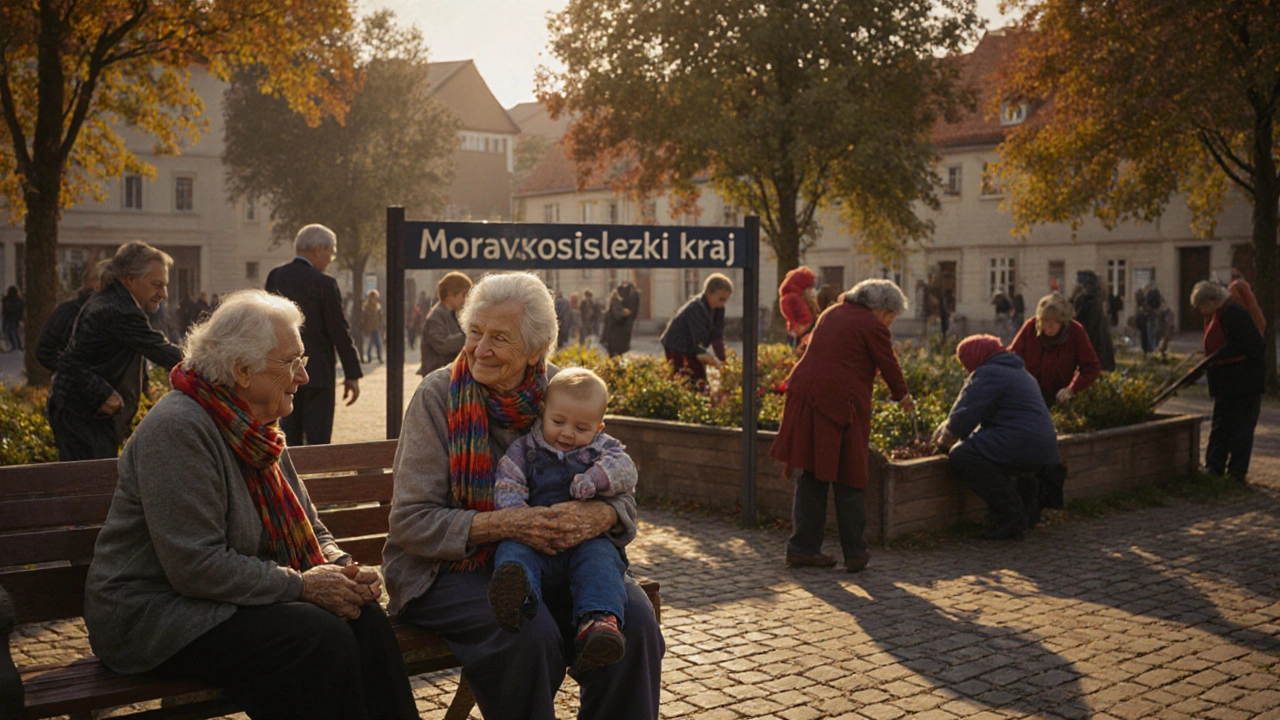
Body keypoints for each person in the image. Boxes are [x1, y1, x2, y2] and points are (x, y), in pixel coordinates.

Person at [83, 290, 417, 720]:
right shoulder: (178, 429)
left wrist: (341, 567)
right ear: (242, 370)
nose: (303, 377)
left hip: (233, 597)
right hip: (153, 614)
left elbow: (312, 529)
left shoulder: (257, 426)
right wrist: (305, 586)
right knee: (318, 635)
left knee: (365, 616)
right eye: (291, 362)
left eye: (303, 360)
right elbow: (195, 566)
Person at [384, 271, 663, 720]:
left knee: (637, 622)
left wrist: (602, 516)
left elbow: (618, 485)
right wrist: (510, 524)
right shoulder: (439, 396)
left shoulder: (564, 391)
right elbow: (411, 521)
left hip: (559, 560)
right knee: (526, 636)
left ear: (536, 350)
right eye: (475, 332)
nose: (480, 348)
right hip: (447, 569)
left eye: (499, 337)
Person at [488, 367, 638, 673]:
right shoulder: (525, 449)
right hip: (533, 539)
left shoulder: (603, 448)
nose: (568, 434)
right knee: (512, 552)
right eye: (558, 422)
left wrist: (596, 478)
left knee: (601, 560)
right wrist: (520, 517)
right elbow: (507, 482)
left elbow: (626, 471)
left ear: (599, 428)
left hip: (584, 542)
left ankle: (598, 622)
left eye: (582, 428)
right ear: (542, 412)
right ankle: (518, 596)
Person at [770, 279, 914, 573]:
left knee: (812, 474)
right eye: (891, 317)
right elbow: (888, 364)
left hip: (805, 395)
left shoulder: (832, 312)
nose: (889, 324)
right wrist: (904, 397)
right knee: (849, 474)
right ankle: (855, 553)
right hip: (838, 406)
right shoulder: (871, 325)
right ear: (881, 309)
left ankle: (803, 548)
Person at [47, 243, 184, 461]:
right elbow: (161, 351)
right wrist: (209, 362)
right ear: (130, 279)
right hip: (85, 419)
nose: (164, 294)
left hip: (84, 416)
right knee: (93, 489)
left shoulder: (113, 301)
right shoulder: (119, 310)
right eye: (157, 285)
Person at [934, 335, 1060, 540]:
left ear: (973, 357)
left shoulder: (988, 372)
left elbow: (962, 419)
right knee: (988, 449)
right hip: (1043, 448)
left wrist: (944, 439)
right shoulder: (1021, 372)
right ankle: (1027, 505)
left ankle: (1011, 514)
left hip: (1021, 444)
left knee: (963, 454)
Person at [264, 224, 363, 446]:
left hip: (283, 373)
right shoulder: (325, 283)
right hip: (318, 374)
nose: (331, 259)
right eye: (331, 252)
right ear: (318, 250)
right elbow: (339, 330)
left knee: (287, 441)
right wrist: (352, 374)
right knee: (318, 443)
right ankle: (315, 481)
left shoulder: (276, 276)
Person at [1189, 281, 1265, 483]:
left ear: (1212, 300)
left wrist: (1213, 358)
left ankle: (1236, 472)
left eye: (1201, 307)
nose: (1200, 312)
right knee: (1221, 426)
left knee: (1241, 428)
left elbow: (1250, 344)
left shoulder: (1233, 313)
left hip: (1243, 383)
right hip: (1227, 384)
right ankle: (1214, 466)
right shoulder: (1220, 313)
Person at [1009, 293, 1102, 407]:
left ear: (1062, 322)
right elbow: (1011, 358)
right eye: (1046, 320)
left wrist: (1072, 389)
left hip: (1062, 397)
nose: (1049, 326)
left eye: (1055, 321)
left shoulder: (1075, 332)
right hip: (1030, 395)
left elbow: (1091, 366)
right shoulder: (1030, 328)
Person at [37, 259, 112, 372]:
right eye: (95, 278)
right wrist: (71, 371)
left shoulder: (124, 312)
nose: (100, 284)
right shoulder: (67, 311)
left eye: (107, 279)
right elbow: (44, 350)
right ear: (84, 282)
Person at [659, 273, 733, 386]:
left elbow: (717, 336)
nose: (722, 304)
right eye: (721, 299)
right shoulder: (696, 308)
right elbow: (698, 345)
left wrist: (722, 361)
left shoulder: (719, 308)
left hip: (693, 346)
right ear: (708, 293)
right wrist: (714, 362)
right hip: (676, 345)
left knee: (699, 380)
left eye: (725, 300)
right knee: (685, 379)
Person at [417, 271, 471, 377]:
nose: (466, 300)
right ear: (450, 295)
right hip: (437, 377)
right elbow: (443, 345)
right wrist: (469, 335)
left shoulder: (452, 315)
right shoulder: (436, 317)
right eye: (464, 295)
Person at [1070, 270, 1116, 371]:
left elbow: (1083, 323)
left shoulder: (1086, 299)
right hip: (1098, 341)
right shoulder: (1094, 297)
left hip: (1092, 342)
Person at [778, 267, 817, 348]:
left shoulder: (788, 298)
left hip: (795, 333)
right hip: (801, 337)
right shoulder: (795, 299)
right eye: (810, 288)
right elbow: (806, 319)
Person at [600, 281, 641, 357]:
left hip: (618, 338)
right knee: (615, 358)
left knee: (616, 358)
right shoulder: (616, 303)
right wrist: (624, 313)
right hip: (615, 339)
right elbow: (618, 316)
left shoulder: (624, 302)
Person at [1228, 269, 1266, 334]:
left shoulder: (1234, 287)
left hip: (1246, 325)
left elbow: (1238, 304)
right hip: (1257, 322)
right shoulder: (1246, 286)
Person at [362, 289, 384, 364]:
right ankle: (369, 357)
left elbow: (380, 318)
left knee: (377, 343)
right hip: (370, 328)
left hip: (376, 328)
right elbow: (365, 319)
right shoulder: (367, 308)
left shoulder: (378, 307)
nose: (375, 300)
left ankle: (379, 357)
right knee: (371, 344)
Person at [2, 286, 24, 352]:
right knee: (12, 332)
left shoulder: (8, 299)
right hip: (13, 318)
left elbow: (5, 309)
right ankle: (17, 346)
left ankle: (16, 346)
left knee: (11, 332)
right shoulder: (18, 300)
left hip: (10, 318)